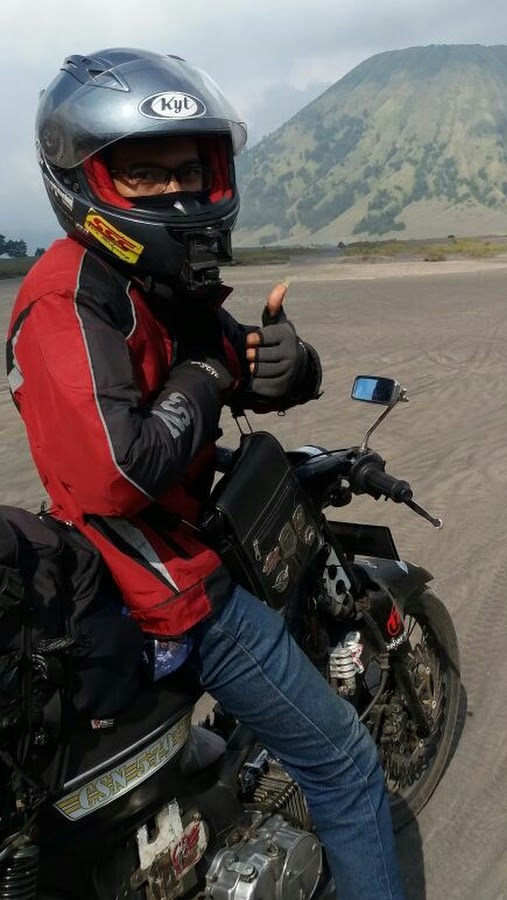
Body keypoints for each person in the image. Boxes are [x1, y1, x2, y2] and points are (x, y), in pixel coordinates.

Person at [6, 48, 404, 898]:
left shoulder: (153, 280)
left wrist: (291, 362)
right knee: (344, 764)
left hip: (158, 543)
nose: (178, 194)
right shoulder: (68, 301)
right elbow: (122, 468)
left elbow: (244, 364)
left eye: (189, 170)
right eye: (145, 175)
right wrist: (203, 372)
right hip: (164, 581)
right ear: (85, 181)